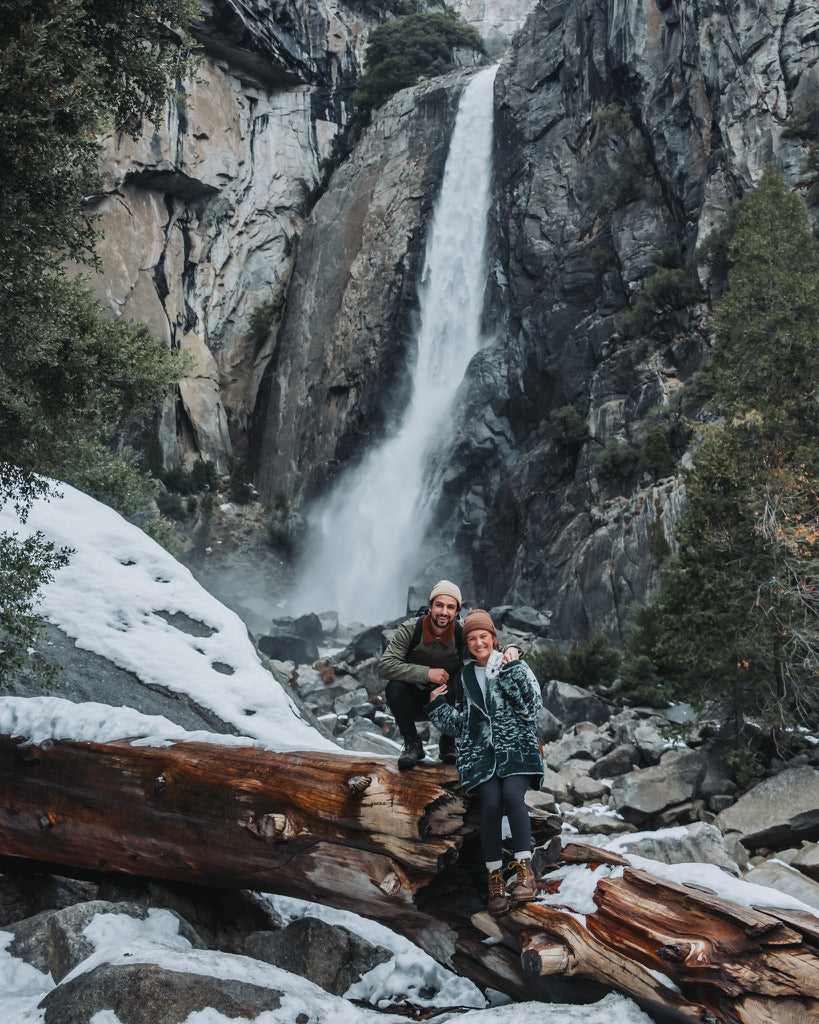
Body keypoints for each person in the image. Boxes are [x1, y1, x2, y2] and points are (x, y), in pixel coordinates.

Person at [425, 608, 543, 917]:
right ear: (467, 643)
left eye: (484, 636)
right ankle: (495, 880)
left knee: (512, 797)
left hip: (517, 749)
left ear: (493, 638)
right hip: (482, 757)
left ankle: (524, 874)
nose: (479, 643)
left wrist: (514, 666)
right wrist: (437, 705)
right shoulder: (463, 677)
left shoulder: (511, 662)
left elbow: (532, 708)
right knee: (490, 804)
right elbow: (462, 724)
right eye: (473, 638)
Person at [378, 580, 464, 771]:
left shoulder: (462, 632)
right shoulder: (411, 629)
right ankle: (412, 744)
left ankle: (448, 742)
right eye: (439, 605)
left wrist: (513, 649)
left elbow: (487, 645)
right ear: (430, 606)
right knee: (394, 687)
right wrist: (426, 674)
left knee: (462, 681)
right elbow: (385, 666)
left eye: (450, 607)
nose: (444, 612)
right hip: (412, 702)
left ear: (457, 612)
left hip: (447, 701)